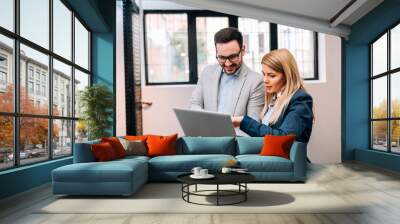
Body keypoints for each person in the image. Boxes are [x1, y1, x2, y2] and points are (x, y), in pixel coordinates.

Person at [232, 49, 314, 143]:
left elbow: (284, 138)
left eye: (272, 76)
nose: (265, 80)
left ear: (287, 76)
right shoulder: (273, 99)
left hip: (285, 158)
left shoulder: (300, 99)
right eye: (264, 74)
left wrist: (243, 121)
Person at [190, 27, 264, 120]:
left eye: (233, 57)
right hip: (208, 133)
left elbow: (253, 123)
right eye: (222, 58)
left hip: (238, 135)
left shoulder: (256, 81)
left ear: (243, 50)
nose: (227, 64)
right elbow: (194, 104)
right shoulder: (207, 73)